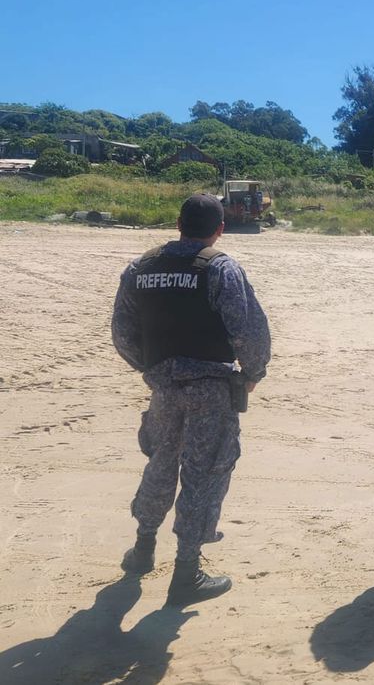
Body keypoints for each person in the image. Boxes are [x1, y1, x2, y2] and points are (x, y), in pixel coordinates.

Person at [111, 193, 271, 605]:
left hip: (163, 387)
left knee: (160, 463)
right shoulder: (220, 267)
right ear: (220, 229)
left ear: (178, 223)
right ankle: (187, 571)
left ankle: (143, 549)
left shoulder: (140, 268)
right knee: (204, 472)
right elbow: (249, 331)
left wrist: (151, 369)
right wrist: (252, 374)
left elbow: (123, 333)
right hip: (210, 389)